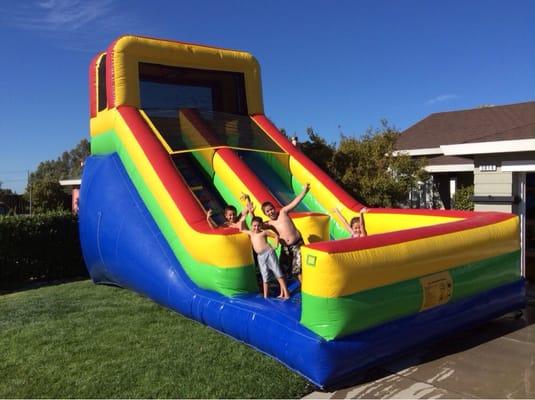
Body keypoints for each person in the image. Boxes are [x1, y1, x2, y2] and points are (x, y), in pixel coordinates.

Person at [261, 183, 310, 282]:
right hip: (286, 248)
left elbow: (295, 202)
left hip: (297, 244)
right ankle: (283, 288)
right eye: (267, 211)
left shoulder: (283, 212)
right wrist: (251, 212)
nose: (271, 212)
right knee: (281, 269)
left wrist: (304, 191)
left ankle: (304, 289)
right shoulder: (269, 223)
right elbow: (256, 225)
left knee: (297, 270)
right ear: (265, 214)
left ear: (274, 209)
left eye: (271, 209)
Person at [241, 216, 289, 299]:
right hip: (260, 256)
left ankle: (286, 294)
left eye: (259, 225)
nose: (256, 227)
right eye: (254, 226)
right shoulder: (251, 233)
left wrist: (276, 245)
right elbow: (242, 229)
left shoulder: (264, 232)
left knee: (277, 272)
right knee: (265, 275)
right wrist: (243, 217)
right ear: (251, 225)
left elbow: (276, 236)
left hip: (269, 253)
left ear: (261, 225)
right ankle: (266, 296)